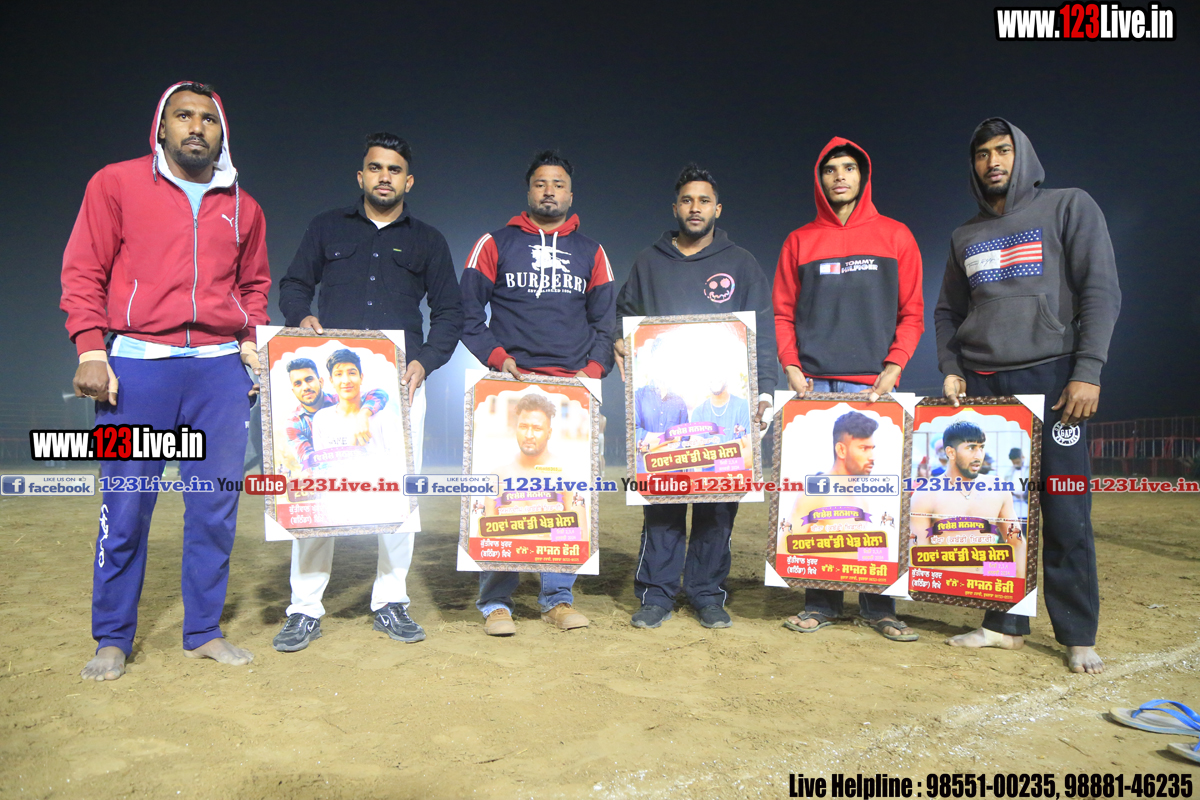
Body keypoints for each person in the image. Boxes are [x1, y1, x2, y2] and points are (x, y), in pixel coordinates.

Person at [61, 81, 270, 681]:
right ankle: (112, 637)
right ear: (161, 127)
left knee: (214, 509)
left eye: (208, 118)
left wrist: (249, 344)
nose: (196, 127)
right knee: (125, 507)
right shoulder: (115, 184)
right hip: (135, 370)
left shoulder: (245, 206)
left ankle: (203, 631)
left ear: (222, 133)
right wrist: (90, 348)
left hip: (218, 374)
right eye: (183, 116)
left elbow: (254, 285)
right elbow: (84, 270)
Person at [935, 118, 1121, 673]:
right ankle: (1002, 626)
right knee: (1000, 514)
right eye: (983, 154)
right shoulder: (964, 235)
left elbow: (1100, 290)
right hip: (986, 388)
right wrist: (952, 368)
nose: (993, 162)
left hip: (1055, 380)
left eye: (1003, 150)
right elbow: (948, 311)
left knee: (1064, 507)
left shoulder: (1069, 206)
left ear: (1023, 156)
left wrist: (1088, 370)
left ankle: (1077, 634)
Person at [274, 132, 463, 651]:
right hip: (333, 391)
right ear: (361, 176)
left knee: (399, 494)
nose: (385, 176)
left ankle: (391, 601)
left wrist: (425, 362)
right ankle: (304, 607)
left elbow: (450, 312)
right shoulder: (326, 227)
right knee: (320, 488)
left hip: (401, 387)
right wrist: (301, 317)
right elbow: (294, 284)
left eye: (394, 169)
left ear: (409, 181)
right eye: (376, 168)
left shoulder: (428, 241)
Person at [771, 137, 924, 639]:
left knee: (879, 498)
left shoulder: (896, 236)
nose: (839, 176)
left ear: (863, 176)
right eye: (830, 169)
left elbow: (912, 313)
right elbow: (783, 313)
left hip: (876, 386)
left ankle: (881, 608)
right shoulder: (799, 241)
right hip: (816, 386)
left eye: (849, 168)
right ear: (820, 179)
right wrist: (791, 365)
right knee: (825, 494)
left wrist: (895, 365)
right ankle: (821, 603)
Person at [614, 164, 777, 630]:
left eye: (704, 200)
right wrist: (620, 341)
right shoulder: (649, 262)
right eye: (687, 200)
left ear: (717, 209)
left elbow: (761, 336)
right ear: (675, 207)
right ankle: (656, 594)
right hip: (669, 408)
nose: (695, 208)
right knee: (662, 504)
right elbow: (623, 315)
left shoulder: (741, 263)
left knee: (717, 506)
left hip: (720, 409)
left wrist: (765, 391)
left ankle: (707, 593)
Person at [461, 150, 615, 636]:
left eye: (559, 184)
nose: (550, 191)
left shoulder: (592, 252)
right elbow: (468, 313)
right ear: (528, 190)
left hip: (571, 390)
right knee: (504, 493)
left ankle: (557, 599)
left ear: (571, 193)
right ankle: (496, 602)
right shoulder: (495, 243)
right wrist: (496, 357)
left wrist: (589, 378)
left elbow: (605, 324)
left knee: (562, 496)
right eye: (541, 183)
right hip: (511, 385)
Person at [782, 412, 918, 641]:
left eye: (872, 448)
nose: (872, 456)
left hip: (878, 391)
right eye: (864, 448)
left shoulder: (866, 495)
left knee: (875, 543)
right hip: (820, 562)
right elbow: (787, 548)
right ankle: (821, 606)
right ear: (841, 450)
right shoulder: (815, 492)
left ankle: (879, 610)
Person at [909, 422, 1024, 576]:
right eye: (971, 448)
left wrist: (1019, 585)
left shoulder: (997, 488)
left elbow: (1016, 543)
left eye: (981, 447)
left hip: (989, 583)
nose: (978, 456)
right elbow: (918, 554)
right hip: (946, 584)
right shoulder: (926, 494)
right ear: (951, 452)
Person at [283, 357, 387, 475]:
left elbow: (379, 394)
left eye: (309, 380)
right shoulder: (294, 423)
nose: (305, 387)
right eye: (298, 384)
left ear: (321, 382)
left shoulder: (341, 400)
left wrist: (363, 414)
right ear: (293, 391)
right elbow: (310, 463)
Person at [1003, 447, 1030, 521]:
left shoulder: (1031, 470)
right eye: (1014, 463)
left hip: (1027, 505)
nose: (1016, 465)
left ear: (1023, 457)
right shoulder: (1009, 472)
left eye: (1017, 462)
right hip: (1014, 508)